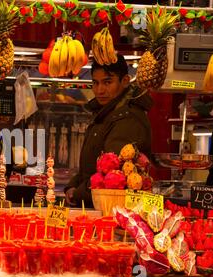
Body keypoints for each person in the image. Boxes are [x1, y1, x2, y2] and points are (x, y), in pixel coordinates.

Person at [64, 54, 153, 207]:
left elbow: (113, 174)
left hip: (112, 208)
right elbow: (90, 167)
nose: (100, 90)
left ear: (125, 81)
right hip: (97, 203)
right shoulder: (105, 113)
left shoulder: (128, 118)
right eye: (95, 83)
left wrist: (78, 193)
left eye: (107, 82)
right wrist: (73, 185)